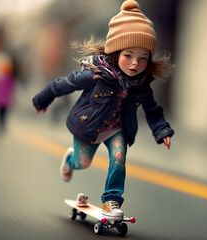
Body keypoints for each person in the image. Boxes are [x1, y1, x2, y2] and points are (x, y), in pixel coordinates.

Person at [32, 0, 174, 220]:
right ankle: (72, 160)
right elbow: (64, 84)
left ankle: (111, 201)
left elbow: (152, 109)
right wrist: (43, 99)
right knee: (83, 163)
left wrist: (162, 130)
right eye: (129, 55)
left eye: (143, 58)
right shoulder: (95, 74)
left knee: (119, 158)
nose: (136, 64)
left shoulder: (142, 84)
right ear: (115, 52)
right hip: (88, 127)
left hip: (117, 129)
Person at [0, 60, 15, 134]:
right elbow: (12, 90)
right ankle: (1, 127)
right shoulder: (10, 79)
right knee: (3, 115)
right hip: (5, 101)